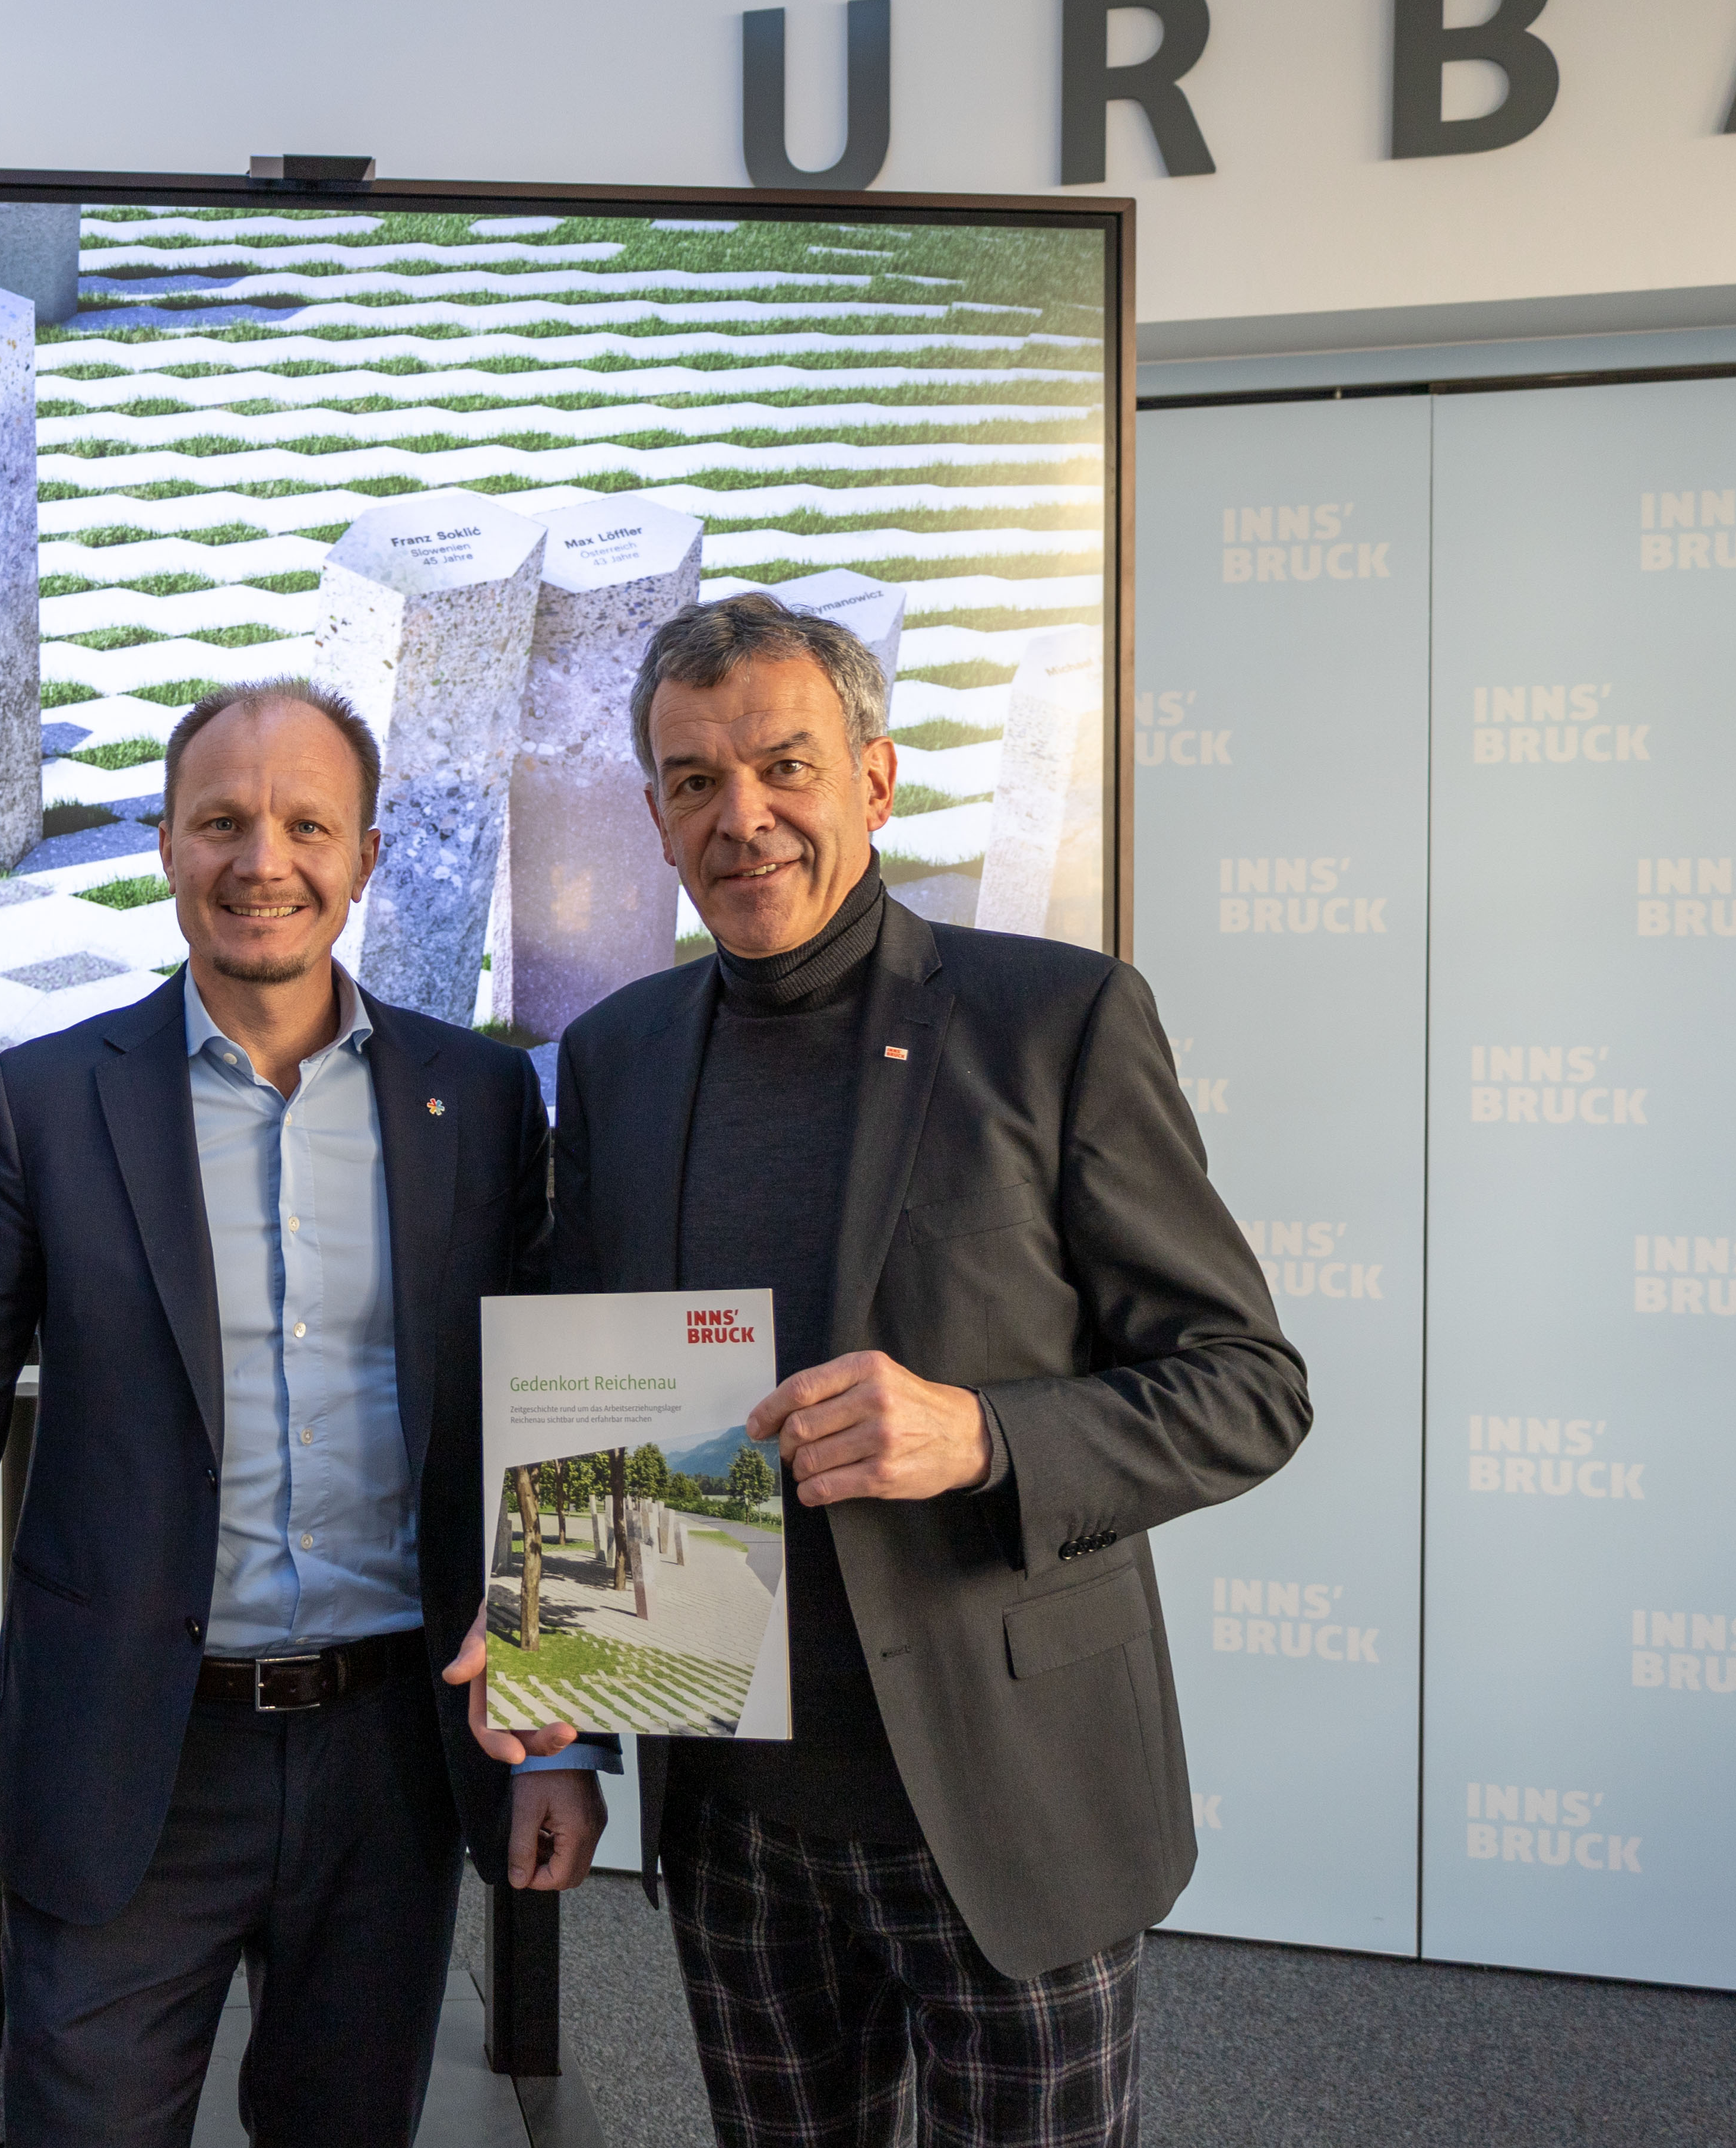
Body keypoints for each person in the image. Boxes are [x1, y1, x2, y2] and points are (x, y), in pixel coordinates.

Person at [549, 593, 1309, 2148]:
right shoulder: (614, 1055)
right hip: (734, 1815)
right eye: (693, 780)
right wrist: (561, 1714)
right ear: (651, 814)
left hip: (1004, 1803)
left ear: (875, 780)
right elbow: (592, 1398)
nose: (739, 815)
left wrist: (981, 1435)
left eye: (783, 765)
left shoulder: (1055, 1021)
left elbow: (1246, 1383)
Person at [0, 679, 607, 2146]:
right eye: (220, 821)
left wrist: (564, 1728)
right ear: (163, 845)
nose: (262, 857)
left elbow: (553, 1403)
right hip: (129, 1757)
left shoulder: (481, 1097)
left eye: (304, 822)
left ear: (367, 855)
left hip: (394, 1752)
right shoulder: (44, 1101)